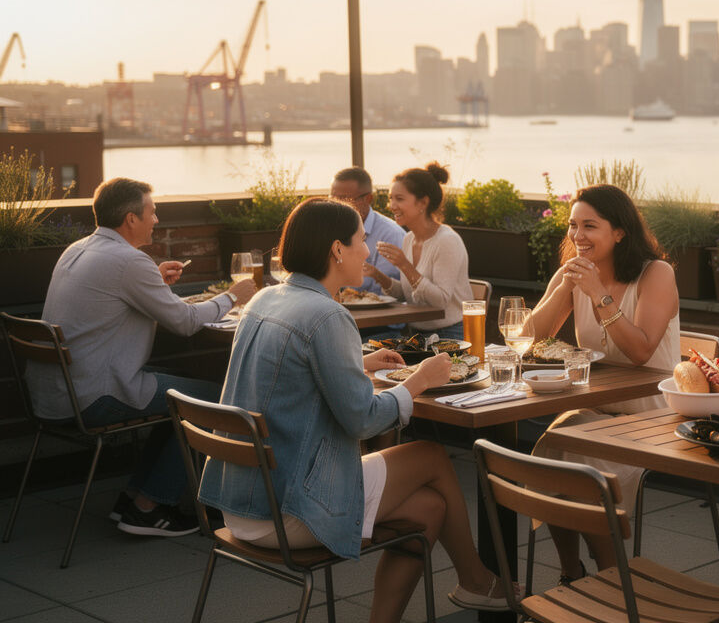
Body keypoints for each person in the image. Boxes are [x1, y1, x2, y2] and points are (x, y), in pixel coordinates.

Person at [198, 197, 510, 617]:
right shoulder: (327, 315)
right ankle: (477, 582)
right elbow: (363, 420)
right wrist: (421, 379)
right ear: (337, 249)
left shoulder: (264, 300)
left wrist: (357, 364)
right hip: (288, 508)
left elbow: (285, 375)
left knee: (428, 509)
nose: (367, 252)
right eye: (361, 241)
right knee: (431, 455)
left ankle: (468, 586)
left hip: (241, 503)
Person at [37, 177, 256, 537]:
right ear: (130, 219)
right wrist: (234, 296)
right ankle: (148, 507)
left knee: (182, 394)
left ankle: (136, 496)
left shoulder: (78, 249)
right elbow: (185, 322)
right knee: (213, 401)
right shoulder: (128, 261)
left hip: (58, 392)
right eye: (152, 212)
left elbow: (109, 294)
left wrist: (151, 279)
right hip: (93, 397)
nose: (156, 219)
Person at [527, 184, 680, 582]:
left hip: (651, 416)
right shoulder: (574, 273)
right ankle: (571, 574)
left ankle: (611, 580)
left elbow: (641, 351)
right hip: (594, 409)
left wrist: (598, 294)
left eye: (589, 226)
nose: (577, 235)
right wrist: (565, 287)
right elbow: (527, 339)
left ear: (620, 232)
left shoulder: (656, 274)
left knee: (581, 466)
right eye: (572, 225)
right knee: (550, 452)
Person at [362, 162, 472, 340]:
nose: (392, 205)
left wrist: (405, 265)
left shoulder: (447, 241)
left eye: (399, 199)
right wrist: (377, 275)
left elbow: (440, 301)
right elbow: (408, 295)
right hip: (417, 335)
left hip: (450, 336)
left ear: (423, 203)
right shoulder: (409, 238)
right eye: (391, 198)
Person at [330, 166, 403, 293]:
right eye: (332, 199)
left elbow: (386, 293)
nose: (336, 205)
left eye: (344, 199)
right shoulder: (330, 229)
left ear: (368, 199)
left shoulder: (390, 235)